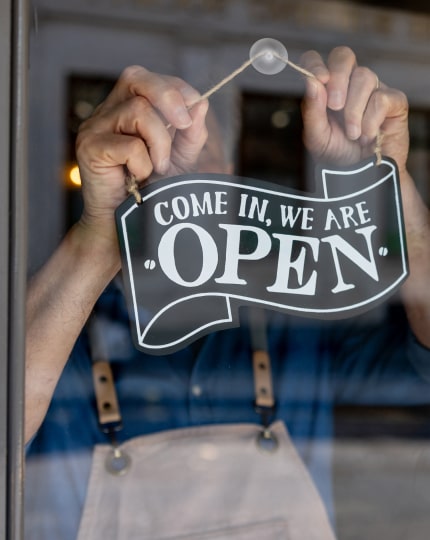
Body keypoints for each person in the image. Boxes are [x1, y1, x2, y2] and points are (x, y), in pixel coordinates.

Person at [25, 46, 430, 540]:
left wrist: (383, 184)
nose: (180, 175)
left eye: (203, 155)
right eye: (161, 153)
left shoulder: (298, 319)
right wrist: (100, 239)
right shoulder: (59, 337)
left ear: (234, 179)